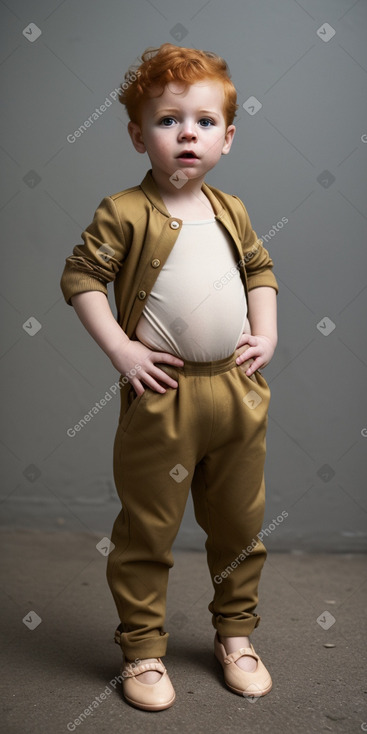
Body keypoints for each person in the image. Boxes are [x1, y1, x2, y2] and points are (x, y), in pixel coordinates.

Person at [60, 42, 278, 712]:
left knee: (239, 528)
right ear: (137, 135)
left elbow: (259, 272)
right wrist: (123, 351)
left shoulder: (230, 209)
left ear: (227, 138)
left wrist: (265, 334)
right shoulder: (124, 211)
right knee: (147, 529)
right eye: (168, 119)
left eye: (205, 121)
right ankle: (143, 650)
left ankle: (235, 637)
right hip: (164, 399)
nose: (188, 132)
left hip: (236, 395)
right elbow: (80, 278)